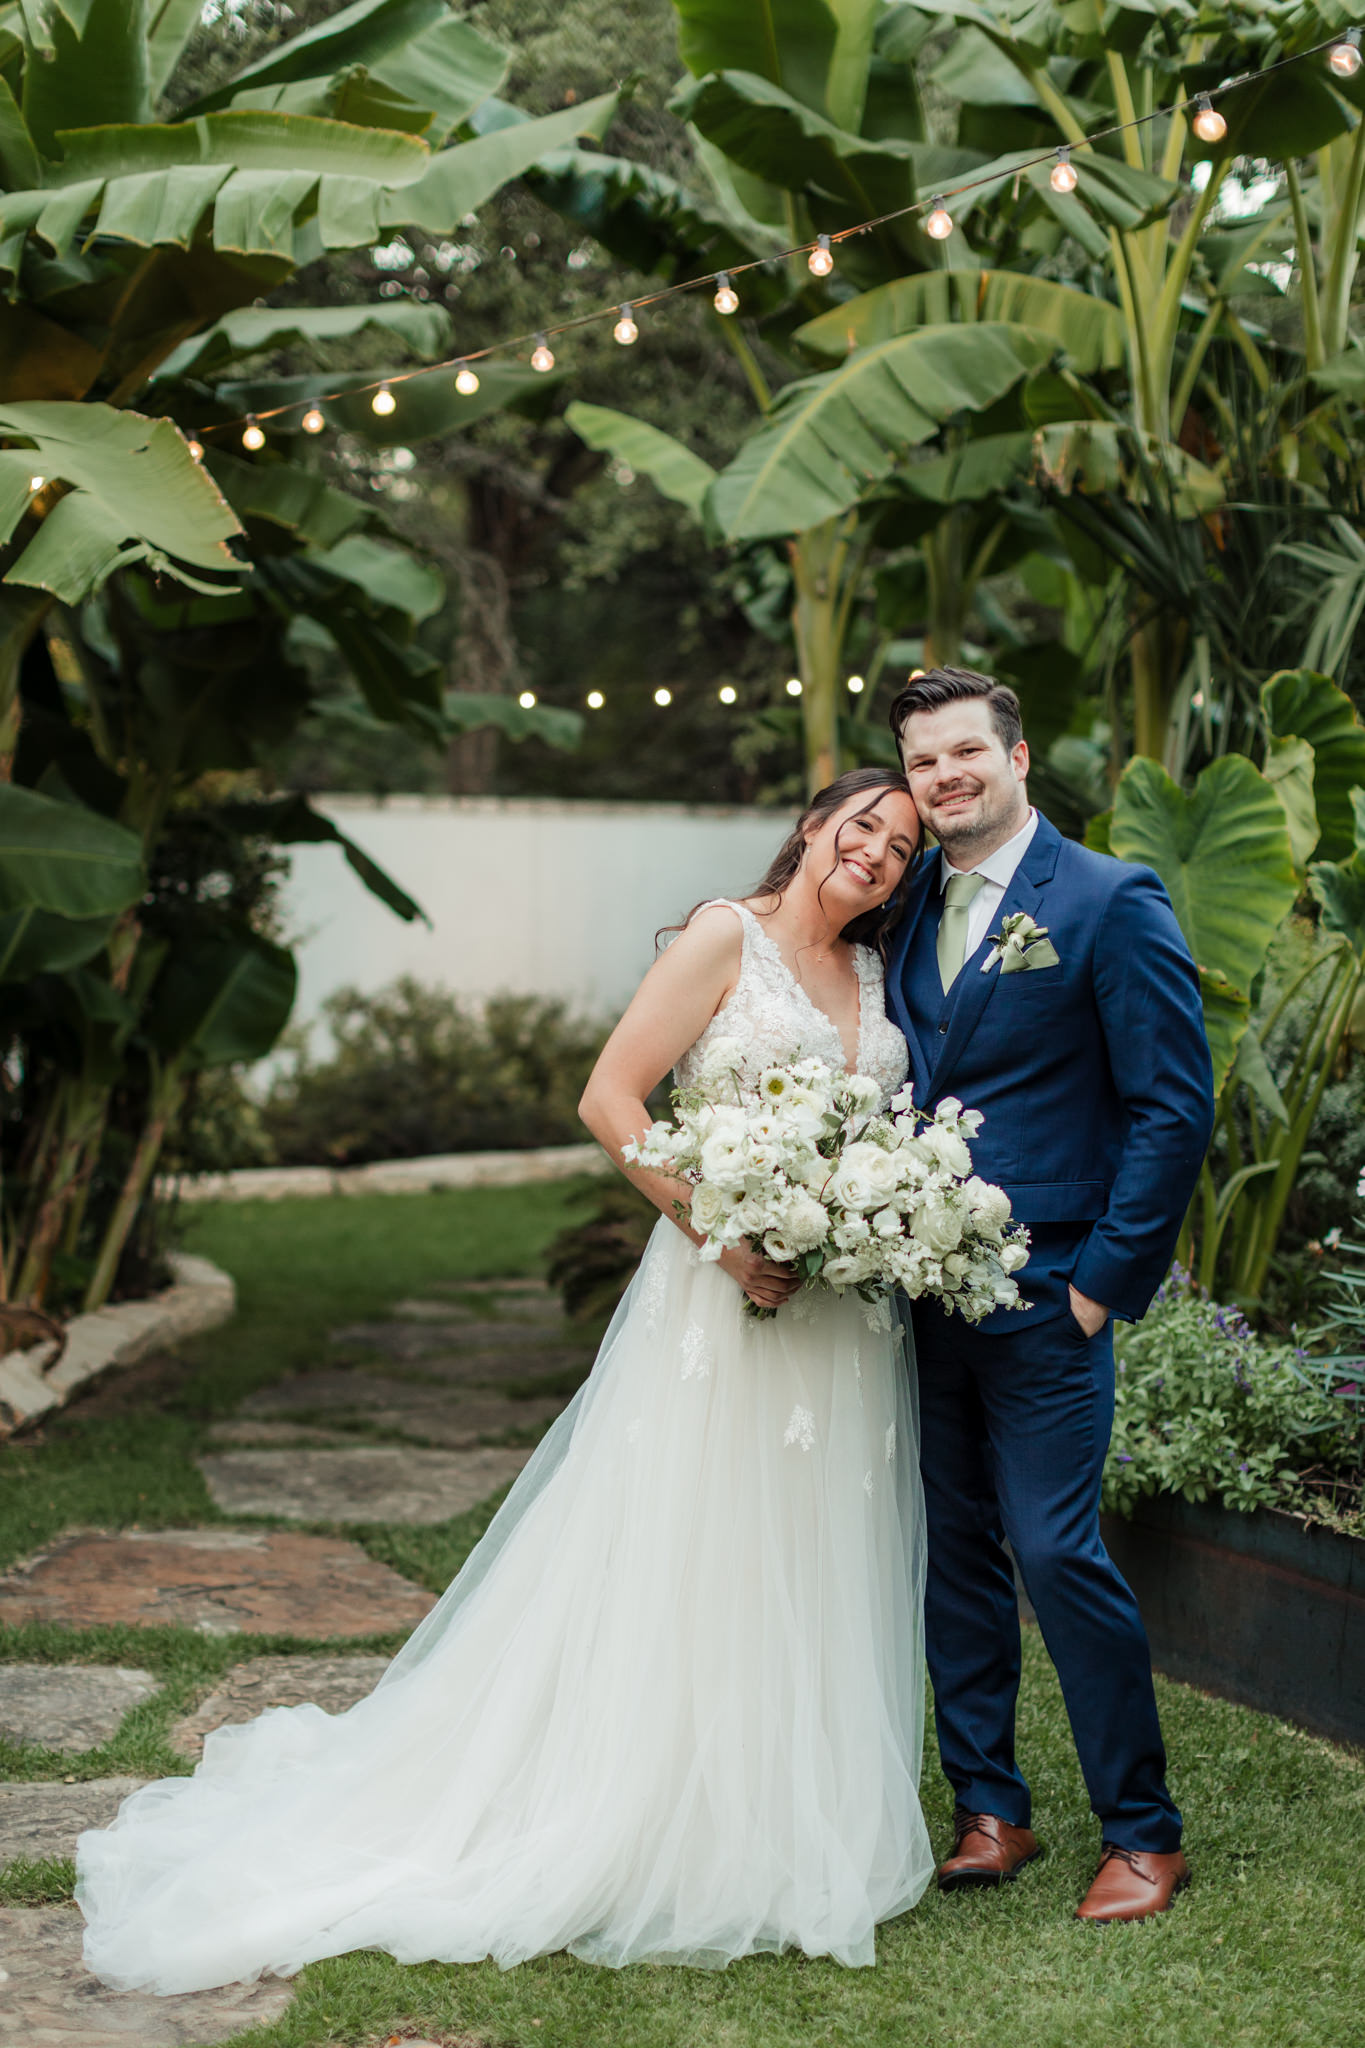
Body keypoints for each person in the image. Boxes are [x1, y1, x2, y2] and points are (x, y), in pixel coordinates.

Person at [77, 768, 937, 1993]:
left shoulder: (879, 980)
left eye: (903, 849)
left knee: (811, 1549)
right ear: (812, 826)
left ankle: (788, 1810)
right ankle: (652, 1808)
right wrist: (723, 1233)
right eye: (865, 825)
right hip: (715, 1296)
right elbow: (610, 1096)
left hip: (839, 1324)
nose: (879, 853)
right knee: (691, 1546)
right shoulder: (721, 937)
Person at [885, 666, 1215, 1924]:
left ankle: (1143, 1830)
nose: (945, 776)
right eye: (924, 762)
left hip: (1047, 1292)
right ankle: (991, 1809)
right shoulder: (911, 899)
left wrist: (1100, 1288)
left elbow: (1173, 1106)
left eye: (965, 751)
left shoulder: (1106, 897)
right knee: (955, 1554)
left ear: (1018, 759)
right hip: (914, 1294)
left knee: (1056, 1548)